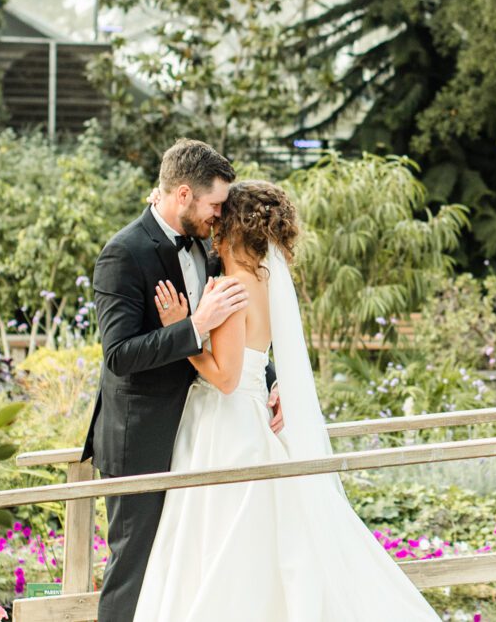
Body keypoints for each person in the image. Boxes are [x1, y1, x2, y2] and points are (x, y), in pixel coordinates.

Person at [131, 179, 439, 621]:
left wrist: (184, 331)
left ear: (233, 225)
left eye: (220, 217)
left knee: (215, 538)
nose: (213, 224)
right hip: (251, 415)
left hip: (226, 423)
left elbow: (226, 377)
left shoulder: (231, 289)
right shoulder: (265, 280)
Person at [80, 140, 282, 622]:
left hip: (202, 432)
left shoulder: (209, 248)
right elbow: (119, 355)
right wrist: (191, 327)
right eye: (215, 205)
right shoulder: (123, 253)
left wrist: (270, 380)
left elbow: (239, 334)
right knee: (135, 568)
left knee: (187, 565)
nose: (221, 215)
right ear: (185, 194)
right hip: (142, 439)